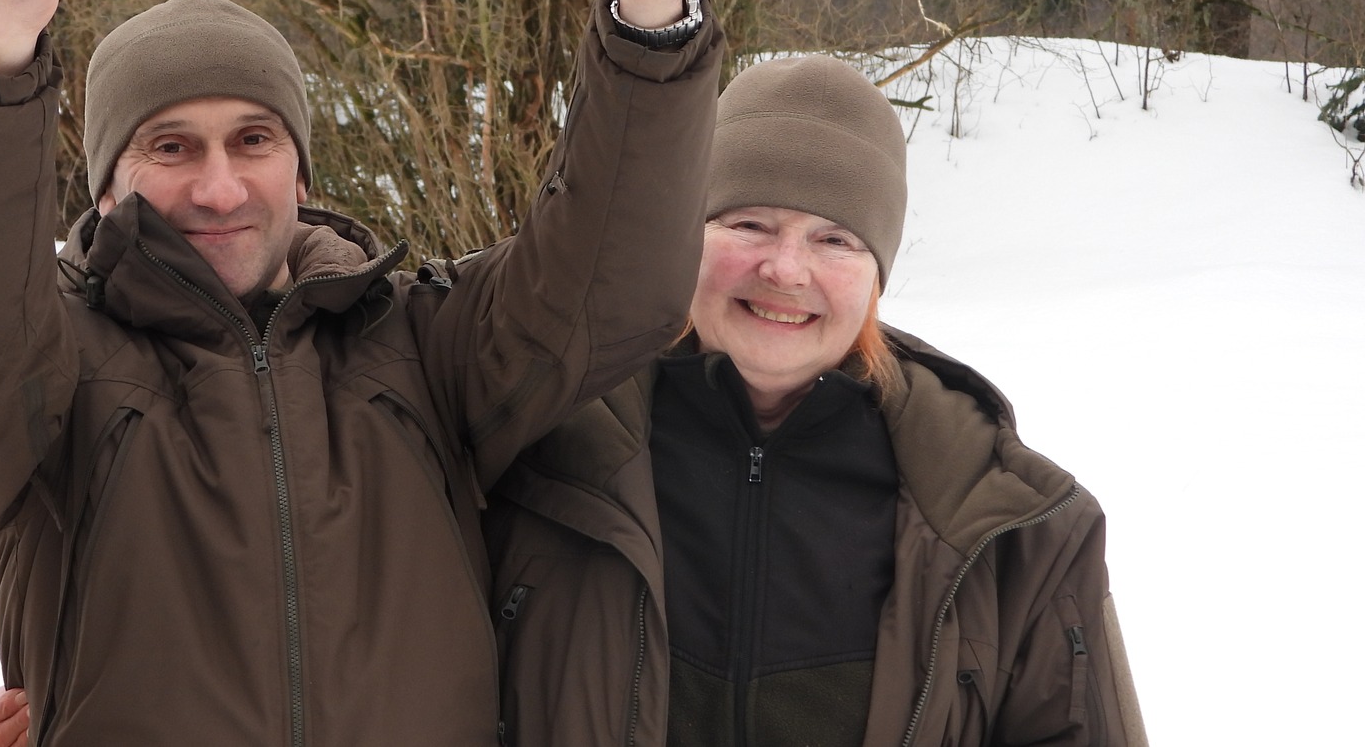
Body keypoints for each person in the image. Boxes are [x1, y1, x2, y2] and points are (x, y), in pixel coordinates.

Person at [0, 0, 725, 747]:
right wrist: (1, 34)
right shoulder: (53, 379)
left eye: (253, 140)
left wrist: (651, 2)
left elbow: (611, 286)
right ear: (104, 188)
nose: (219, 187)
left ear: (302, 170)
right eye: (170, 147)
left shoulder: (423, 346)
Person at [486, 56, 1149, 747]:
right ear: (687, 236)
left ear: (875, 276)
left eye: (835, 239)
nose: (785, 269)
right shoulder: (540, 453)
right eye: (749, 224)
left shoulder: (1017, 528)